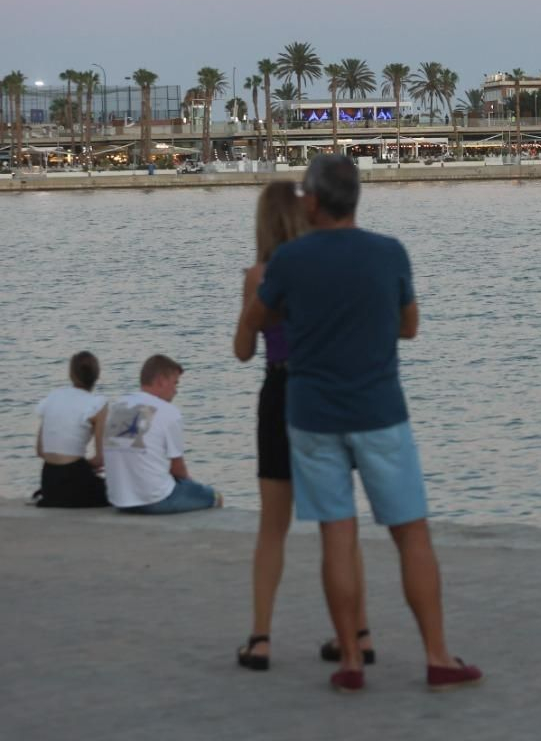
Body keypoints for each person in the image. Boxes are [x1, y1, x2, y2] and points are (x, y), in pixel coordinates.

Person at [243, 154, 479, 693]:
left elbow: (258, 320)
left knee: (337, 532)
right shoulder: (389, 252)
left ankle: (350, 659)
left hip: (312, 414)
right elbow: (409, 327)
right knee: (411, 533)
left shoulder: (290, 261)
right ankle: (438, 656)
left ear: (312, 200)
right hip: (379, 411)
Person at [231, 182, 373, 672]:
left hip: (280, 393)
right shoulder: (324, 269)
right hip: (325, 394)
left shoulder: (260, 276)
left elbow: (243, 350)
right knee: (340, 523)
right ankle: (359, 632)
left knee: (273, 528)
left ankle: (261, 639)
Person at [101, 355, 222, 514]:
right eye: (175, 383)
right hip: (155, 500)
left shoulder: (118, 405)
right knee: (213, 496)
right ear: (161, 381)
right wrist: (192, 488)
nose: (176, 391)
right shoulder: (169, 411)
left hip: (120, 500)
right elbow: (178, 469)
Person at [33, 351, 110, 508]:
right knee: (116, 490)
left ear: (71, 374)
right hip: (76, 479)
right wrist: (88, 465)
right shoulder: (97, 404)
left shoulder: (53, 398)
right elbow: (100, 459)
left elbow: (41, 451)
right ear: (97, 375)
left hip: (49, 481)